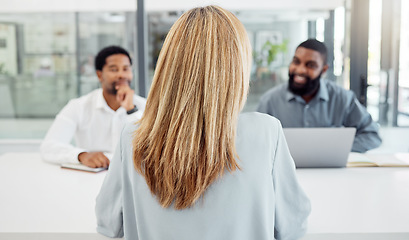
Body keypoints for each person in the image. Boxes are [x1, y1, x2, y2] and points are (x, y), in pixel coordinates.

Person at [96, 6, 310, 240]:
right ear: (237, 67)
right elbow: (292, 226)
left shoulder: (133, 135)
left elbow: (109, 223)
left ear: (168, 66)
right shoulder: (266, 132)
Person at [257, 39, 382, 153]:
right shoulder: (269, 101)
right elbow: (257, 140)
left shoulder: (343, 98)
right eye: (296, 62)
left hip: (332, 174)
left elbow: (372, 135)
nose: (300, 70)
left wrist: (337, 150)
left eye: (310, 65)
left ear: (323, 70)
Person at [40, 46, 146, 168]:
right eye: (114, 69)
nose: (121, 75)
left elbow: (150, 149)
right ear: (99, 75)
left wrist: (131, 110)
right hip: (91, 176)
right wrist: (82, 155)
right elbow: (49, 146)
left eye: (126, 69)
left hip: (133, 178)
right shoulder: (78, 106)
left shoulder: (146, 106)